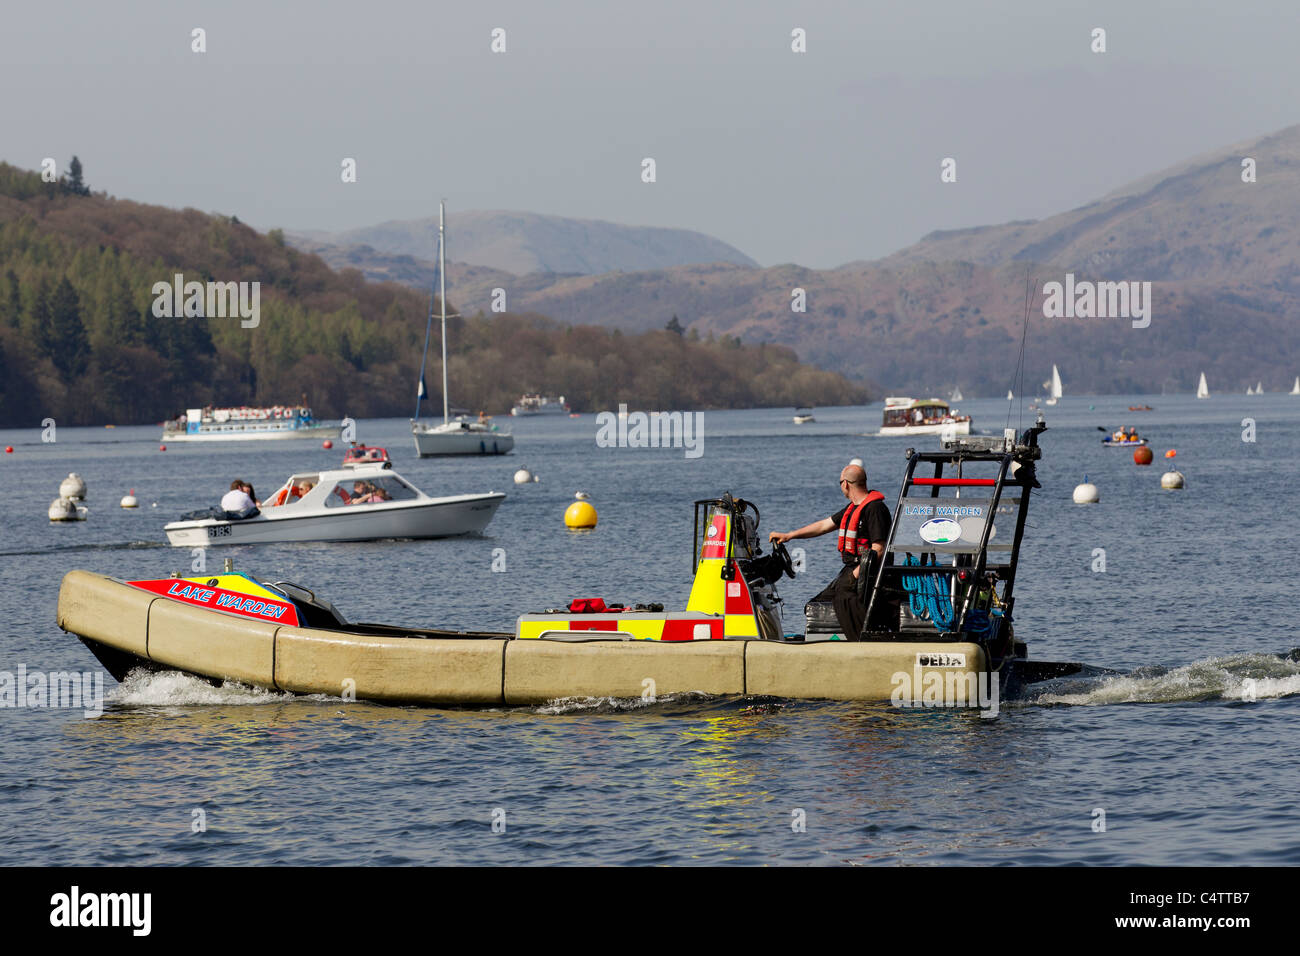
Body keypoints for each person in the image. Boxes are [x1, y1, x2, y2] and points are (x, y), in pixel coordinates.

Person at [769, 463, 892, 641]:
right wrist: (789, 535)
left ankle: (864, 640)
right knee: (815, 606)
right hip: (851, 571)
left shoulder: (875, 509)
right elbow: (823, 525)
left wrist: (857, 575)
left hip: (866, 574)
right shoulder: (853, 508)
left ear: (846, 484)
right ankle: (827, 641)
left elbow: (879, 550)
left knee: (844, 598)